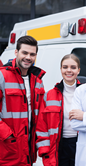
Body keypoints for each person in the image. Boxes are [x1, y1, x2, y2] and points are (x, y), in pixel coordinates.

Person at [0, 36, 45, 165]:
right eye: (24, 53)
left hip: (28, 152)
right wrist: (8, 136)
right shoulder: (2, 76)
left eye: (32, 54)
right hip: (7, 150)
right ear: (16, 52)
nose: (28, 57)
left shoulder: (38, 81)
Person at [35, 54, 83, 166]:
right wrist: (44, 150)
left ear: (79, 70)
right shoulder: (49, 96)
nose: (69, 70)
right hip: (57, 146)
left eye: (73, 67)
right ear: (61, 69)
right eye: (65, 67)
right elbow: (41, 126)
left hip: (81, 144)